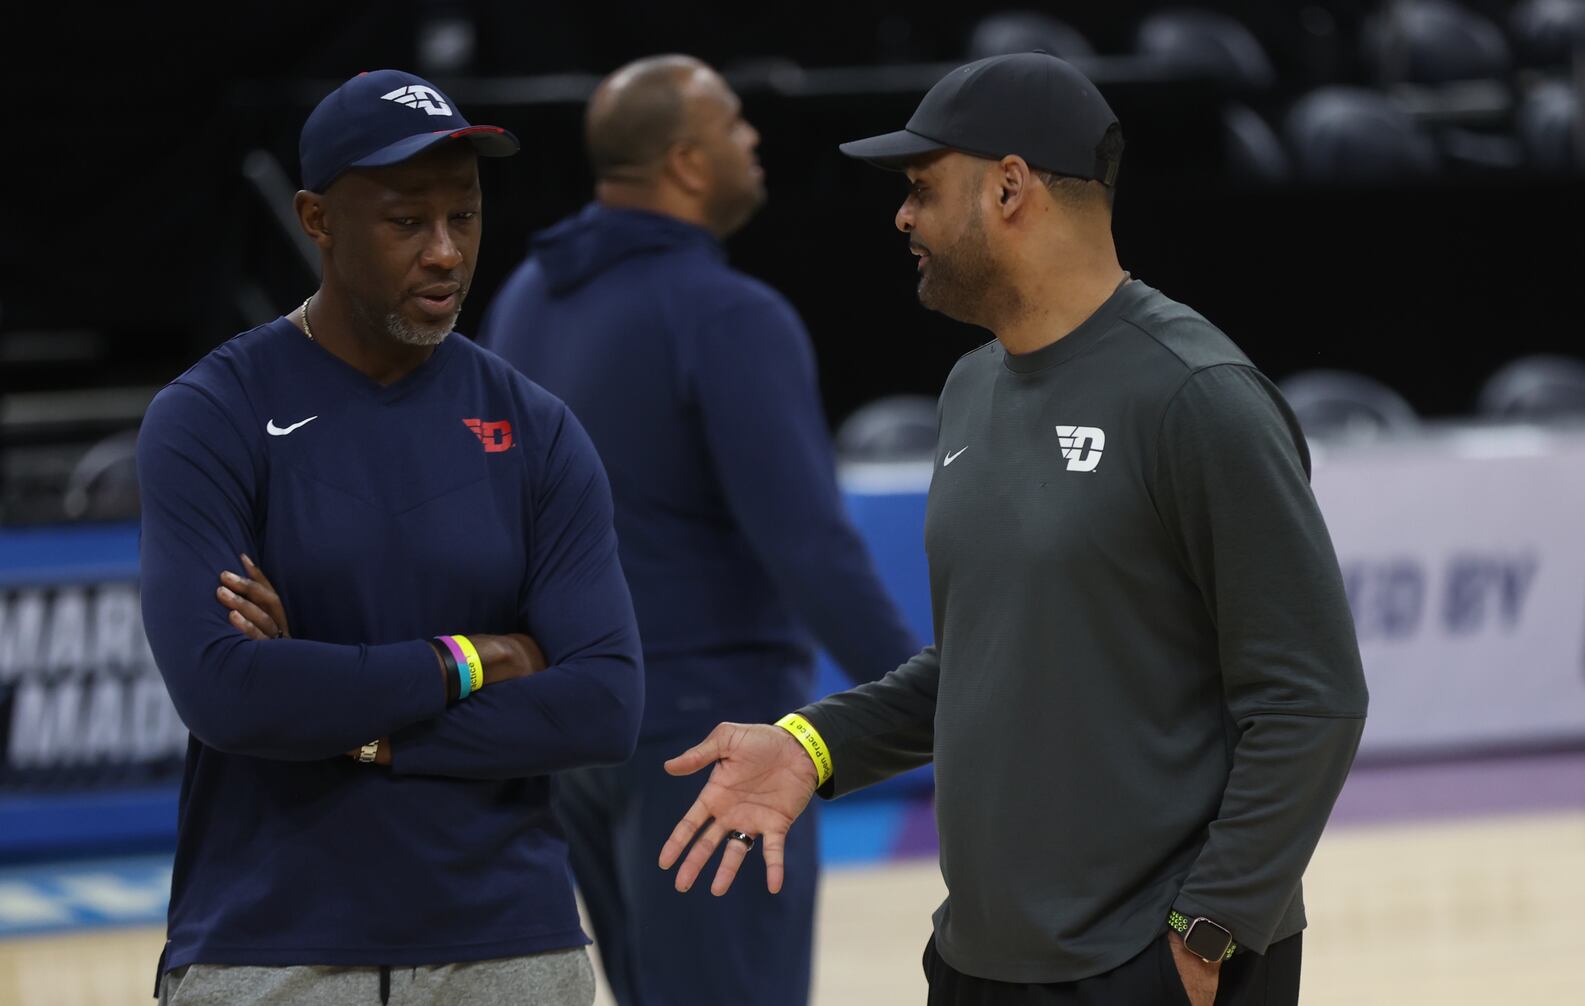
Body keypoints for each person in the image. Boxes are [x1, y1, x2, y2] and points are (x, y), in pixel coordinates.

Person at [658, 52, 1369, 1006]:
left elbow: (1312, 698)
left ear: (1008, 187)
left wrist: (1209, 935)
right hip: (981, 961)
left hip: (1150, 966)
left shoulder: (1197, 396)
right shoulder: (972, 386)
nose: (901, 217)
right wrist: (813, 746)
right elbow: (982, 660)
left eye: (920, 188)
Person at [136, 68, 644, 1006]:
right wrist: (474, 657)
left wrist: (354, 726)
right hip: (270, 942)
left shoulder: (535, 428)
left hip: (509, 943)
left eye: (466, 215)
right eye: (408, 222)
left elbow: (603, 705)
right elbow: (227, 693)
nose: (447, 252)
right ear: (316, 219)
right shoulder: (212, 415)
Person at [480, 54, 921, 1006]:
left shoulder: (523, 299)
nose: (754, 139)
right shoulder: (726, 315)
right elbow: (809, 547)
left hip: (579, 736)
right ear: (684, 160)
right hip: (714, 742)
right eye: (733, 125)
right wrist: (935, 712)